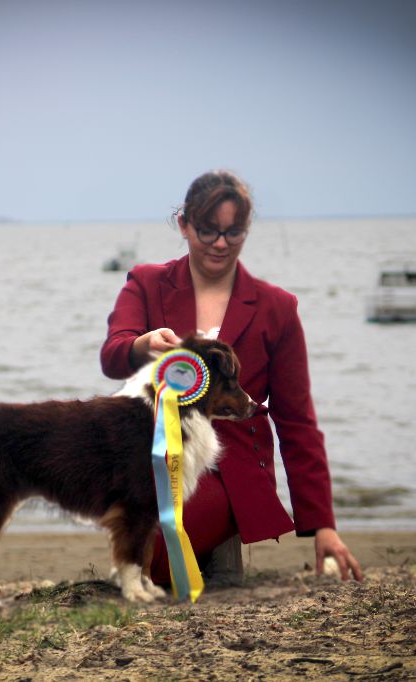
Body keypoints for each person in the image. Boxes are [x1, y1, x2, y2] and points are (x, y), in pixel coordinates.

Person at [100, 170, 363, 585]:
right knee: (141, 556)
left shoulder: (277, 308)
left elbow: (297, 421)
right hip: (149, 461)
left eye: (233, 232)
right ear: (183, 224)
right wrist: (141, 344)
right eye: (207, 231)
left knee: (156, 563)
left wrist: (322, 525)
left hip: (234, 470)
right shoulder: (146, 283)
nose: (220, 244)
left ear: (246, 230)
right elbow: (113, 355)